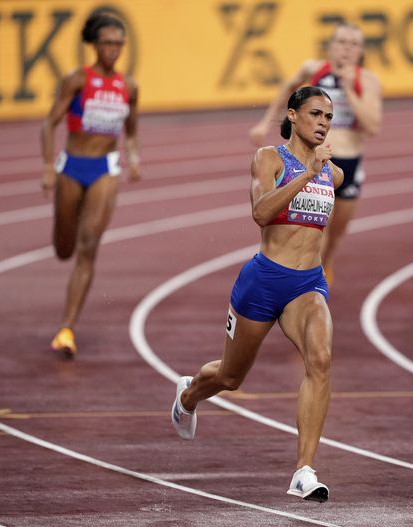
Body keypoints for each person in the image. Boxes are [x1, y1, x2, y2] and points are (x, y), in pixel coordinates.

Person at [172, 87, 344, 503]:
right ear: (293, 115)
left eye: (328, 117)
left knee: (320, 360)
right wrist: (306, 174)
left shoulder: (334, 174)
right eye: (315, 114)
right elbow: (261, 213)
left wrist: (318, 172)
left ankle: (304, 470)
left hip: (308, 284)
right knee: (230, 377)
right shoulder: (269, 159)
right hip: (264, 281)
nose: (323, 123)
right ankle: (189, 394)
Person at [248, 22, 381, 287]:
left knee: (337, 234)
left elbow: (372, 125)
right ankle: (309, 282)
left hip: (349, 163)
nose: (347, 49)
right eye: (342, 42)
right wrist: (264, 122)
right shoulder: (313, 69)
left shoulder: (366, 80)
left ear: (361, 51)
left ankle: (325, 266)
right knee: (317, 227)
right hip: (318, 161)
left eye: (354, 44)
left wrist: (348, 87)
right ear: (331, 46)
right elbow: (287, 89)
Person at [39, 12, 140, 357]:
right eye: (108, 43)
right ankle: (65, 238)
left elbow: (132, 131)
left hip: (105, 168)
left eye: (119, 44)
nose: (114, 49)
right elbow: (48, 125)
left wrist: (133, 158)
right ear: (95, 45)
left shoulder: (129, 87)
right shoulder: (77, 80)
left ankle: (66, 329)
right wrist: (47, 168)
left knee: (89, 244)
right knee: (64, 249)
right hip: (72, 166)